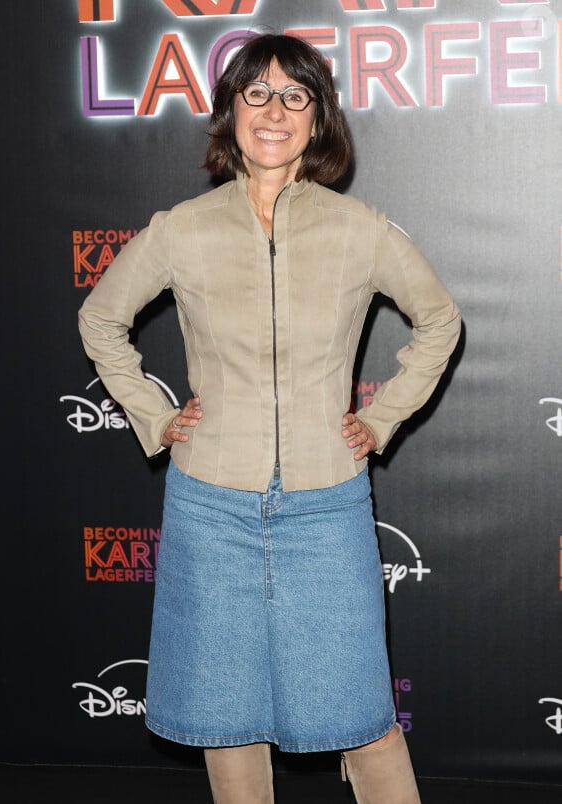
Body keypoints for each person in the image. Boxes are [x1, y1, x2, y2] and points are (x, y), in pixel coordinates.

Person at [79, 33, 460, 804]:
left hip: (327, 504)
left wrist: (381, 419)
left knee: (363, 713)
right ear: (231, 111)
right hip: (209, 502)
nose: (275, 110)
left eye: (296, 95)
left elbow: (439, 320)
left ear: (317, 120)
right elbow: (101, 319)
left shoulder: (359, 228)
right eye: (257, 93)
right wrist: (155, 415)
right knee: (228, 715)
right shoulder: (182, 227)